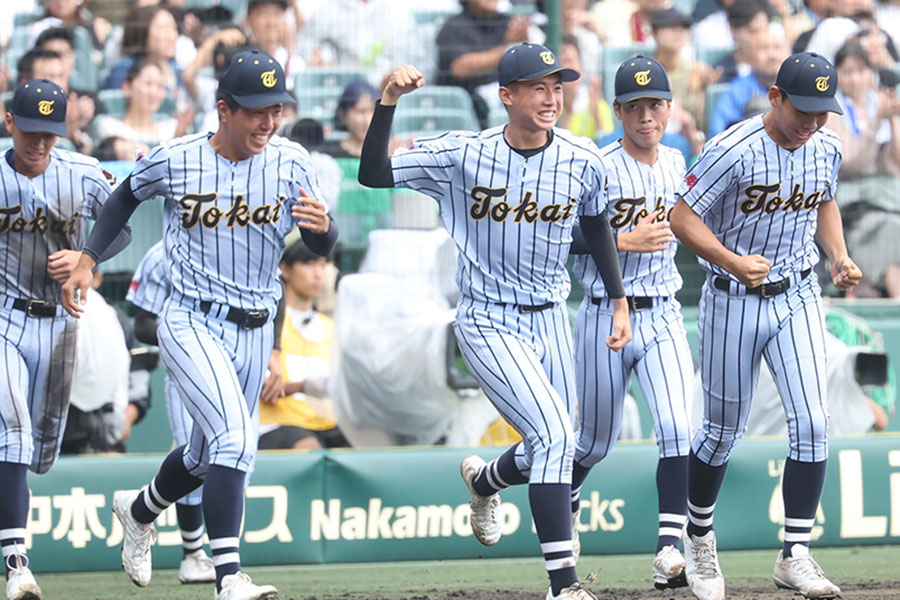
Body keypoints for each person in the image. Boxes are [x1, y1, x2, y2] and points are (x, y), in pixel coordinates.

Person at [61, 49, 338, 600]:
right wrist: (89, 259)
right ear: (224, 109)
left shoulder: (291, 161)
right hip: (190, 318)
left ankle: (140, 511)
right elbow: (121, 200)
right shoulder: (178, 158)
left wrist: (325, 230)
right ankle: (228, 576)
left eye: (276, 109)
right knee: (236, 440)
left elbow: (319, 245)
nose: (268, 121)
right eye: (256, 110)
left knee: (203, 455)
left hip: (256, 325)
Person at [358, 43, 631, 600]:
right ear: (506, 96)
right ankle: (565, 586)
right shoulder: (463, 154)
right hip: (488, 318)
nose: (551, 97)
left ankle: (485, 482)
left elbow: (598, 226)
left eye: (557, 86)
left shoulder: (583, 158)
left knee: (557, 441)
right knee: (554, 435)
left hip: (553, 314)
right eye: (537, 87)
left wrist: (619, 298)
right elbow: (373, 174)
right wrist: (387, 102)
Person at [670, 52, 861, 600]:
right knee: (720, 432)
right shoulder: (732, 148)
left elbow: (823, 201)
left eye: (823, 112)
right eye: (804, 109)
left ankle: (795, 553)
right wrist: (729, 260)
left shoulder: (825, 144)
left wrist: (838, 256)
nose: (812, 122)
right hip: (734, 300)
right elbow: (681, 215)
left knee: (813, 421)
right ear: (775, 96)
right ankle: (700, 536)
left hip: (798, 291)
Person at [0, 78, 130, 600]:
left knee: (39, 453)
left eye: (51, 133)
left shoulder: (77, 169)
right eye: (32, 131)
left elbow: (119, 222)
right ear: (10, 123)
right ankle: (17, 566)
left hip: (58, 321)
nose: (41, 144)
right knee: (12, 429)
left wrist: (86, 258)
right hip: (4, 316)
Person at [570, 56, 693, 591]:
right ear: (617, 110)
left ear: (670, 107)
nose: (647, 115)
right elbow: (561, 235)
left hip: (663, 309)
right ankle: (569, 497)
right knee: (595, 443)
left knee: (678, 428)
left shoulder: (676, 159)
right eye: (635, 106)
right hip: (603, 313)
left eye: (656, 104)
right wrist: (623, 240)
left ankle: (670, 547)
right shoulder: (596, 164)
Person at [125, 240, 216, 585]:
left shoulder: (244, 237)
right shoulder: (163, 252)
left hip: (236, 358)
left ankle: (142, 508)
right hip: (185, 368)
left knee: (236, 457)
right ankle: (194, 554)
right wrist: (184, 332)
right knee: (196, 457)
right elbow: (142, 325)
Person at [259, 238, 349, 450]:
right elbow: (264, 388)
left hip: (328, 426)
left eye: (323, 264)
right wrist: (304, 387)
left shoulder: (332, 328)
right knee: (307, 446)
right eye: (309, 264)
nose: (319, 273)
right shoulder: (267, 325)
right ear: (285, 270)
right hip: (278, 426)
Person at [435, 0, 530, 128]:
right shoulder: (454, 26)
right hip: (468, 113)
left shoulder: (508, 23)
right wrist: (508, 47)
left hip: (505, 105)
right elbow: (460, 68)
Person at [94, 58, 192, 147]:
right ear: (127, 87)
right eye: (148, 83)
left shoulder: (171, 129)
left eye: (160, 86)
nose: (154, 92)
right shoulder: (111, 127)